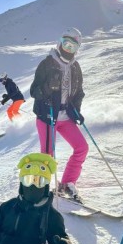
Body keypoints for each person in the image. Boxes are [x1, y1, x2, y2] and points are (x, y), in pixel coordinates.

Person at [30, 27, 89, 200]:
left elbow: (79, 93)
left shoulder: (75, 68)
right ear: (60, 42)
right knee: (47, 154)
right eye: (66, 44)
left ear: (77, 49)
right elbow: (34, 91)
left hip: (65, 117)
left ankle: (66, 185)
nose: (68, 49)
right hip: (47, 115)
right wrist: (48, 89)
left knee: (82, 148)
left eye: (73, 47)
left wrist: (76, 111)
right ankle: (41, 187)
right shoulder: (47, 64)